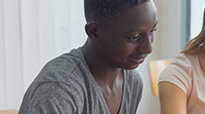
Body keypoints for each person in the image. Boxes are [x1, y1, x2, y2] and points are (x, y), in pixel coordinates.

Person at [19, 0, 157, 113]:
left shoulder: (132, 82)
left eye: (152, 31)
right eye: (134, 37)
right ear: (94, 32)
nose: (148, 48)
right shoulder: (59, 89)